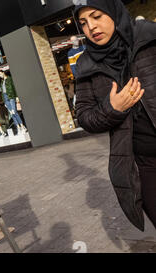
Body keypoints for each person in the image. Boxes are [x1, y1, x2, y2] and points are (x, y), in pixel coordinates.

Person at [73, 0, 156, 231]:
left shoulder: (150, 37)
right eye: (83, 22)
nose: (91, 27)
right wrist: (113, 108)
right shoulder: (86, 64)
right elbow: (85, 117)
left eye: (97, 16)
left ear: (113, 12)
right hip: (144, 163)